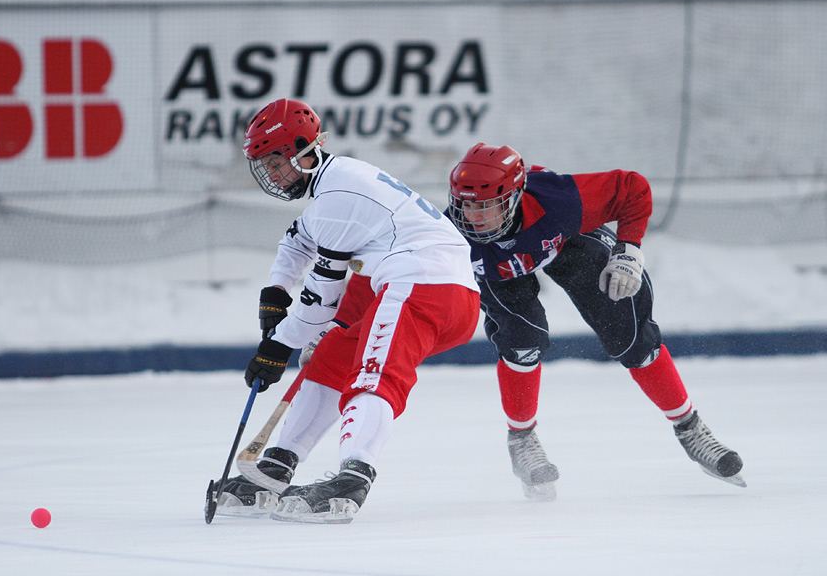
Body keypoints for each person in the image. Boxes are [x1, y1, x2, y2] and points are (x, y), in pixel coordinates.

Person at [212, 98, 480, 524]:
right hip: (427, 286)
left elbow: (320, 304)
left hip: (424, 284)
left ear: (305, 149)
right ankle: (277, 466)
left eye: (277, 163)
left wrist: (277, 346)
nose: (274, 176)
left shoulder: (338, 196)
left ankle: (352, 478)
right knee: (332, 359)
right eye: (266, 167)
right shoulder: (337, 181)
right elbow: (297, 239)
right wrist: (275, 292)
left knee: (372, 375)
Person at [446, 142, 745, 500]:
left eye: (486, 206)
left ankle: (690, 428)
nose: (473, 218)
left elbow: (632, 187)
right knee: (522, 338)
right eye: (465, 205)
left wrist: (629, 248)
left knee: (630, 330)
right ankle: (521, 439)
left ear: (514, 198)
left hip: (564, 242)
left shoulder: (559, 200)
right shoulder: (447, 236)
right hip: (501, 271)